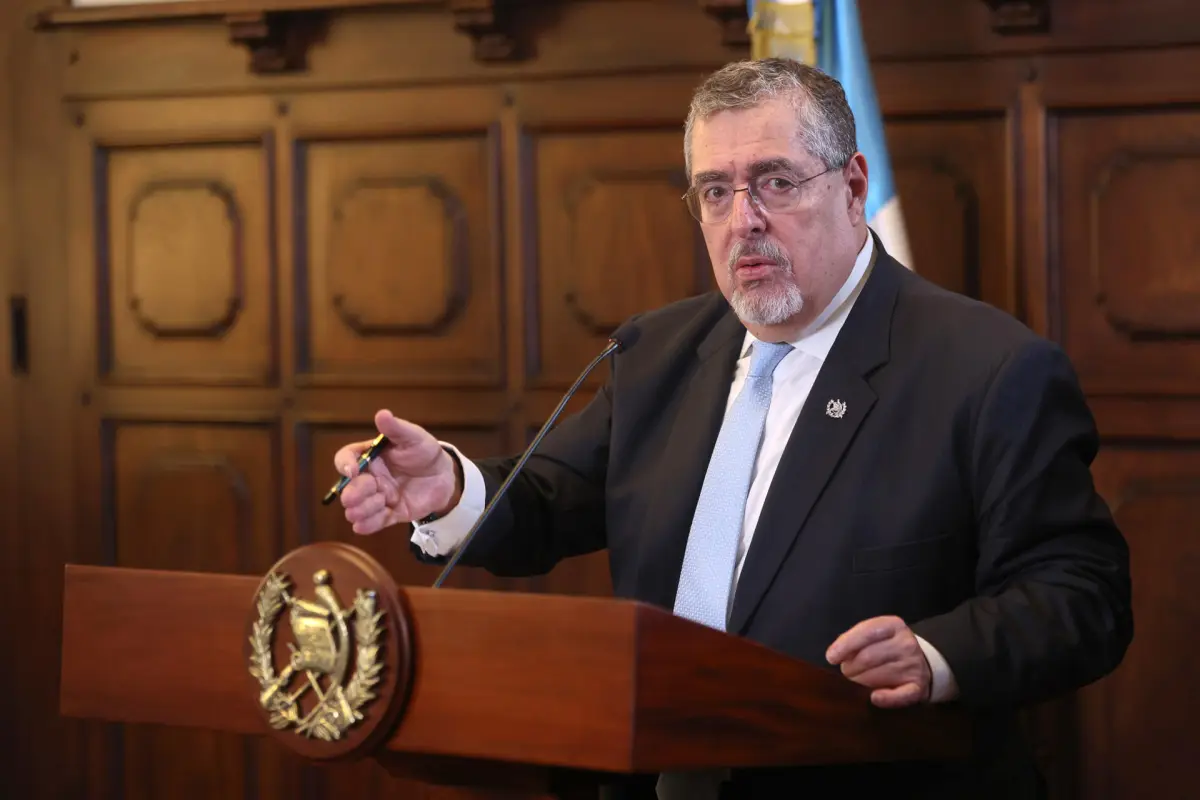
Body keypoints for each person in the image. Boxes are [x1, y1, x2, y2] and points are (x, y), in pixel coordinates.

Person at [333, 58, 1132, 799]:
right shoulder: (657, 351)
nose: (743, 220)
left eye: (775, 182)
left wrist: (935, 656)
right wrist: (450, 490)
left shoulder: (989, 368)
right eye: (715, 191)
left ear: (853, 187)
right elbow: (549, 498)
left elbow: (1082, 596)